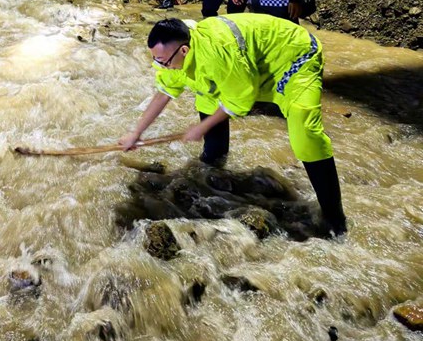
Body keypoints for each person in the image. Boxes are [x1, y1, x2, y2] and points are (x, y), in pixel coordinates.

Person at [119, 15, 346, 235]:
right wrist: (136, 133)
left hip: (293, 58)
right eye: (155, 60)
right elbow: (164, 92)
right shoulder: (172, 57)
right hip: (247, 65)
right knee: (207, 103)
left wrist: (202, 127)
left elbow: (240, 100)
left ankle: (334, 218)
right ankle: (214, 179)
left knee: (305, 134)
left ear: (184, 50)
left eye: (163, 62)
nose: (160, 66)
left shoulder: (219, 53)